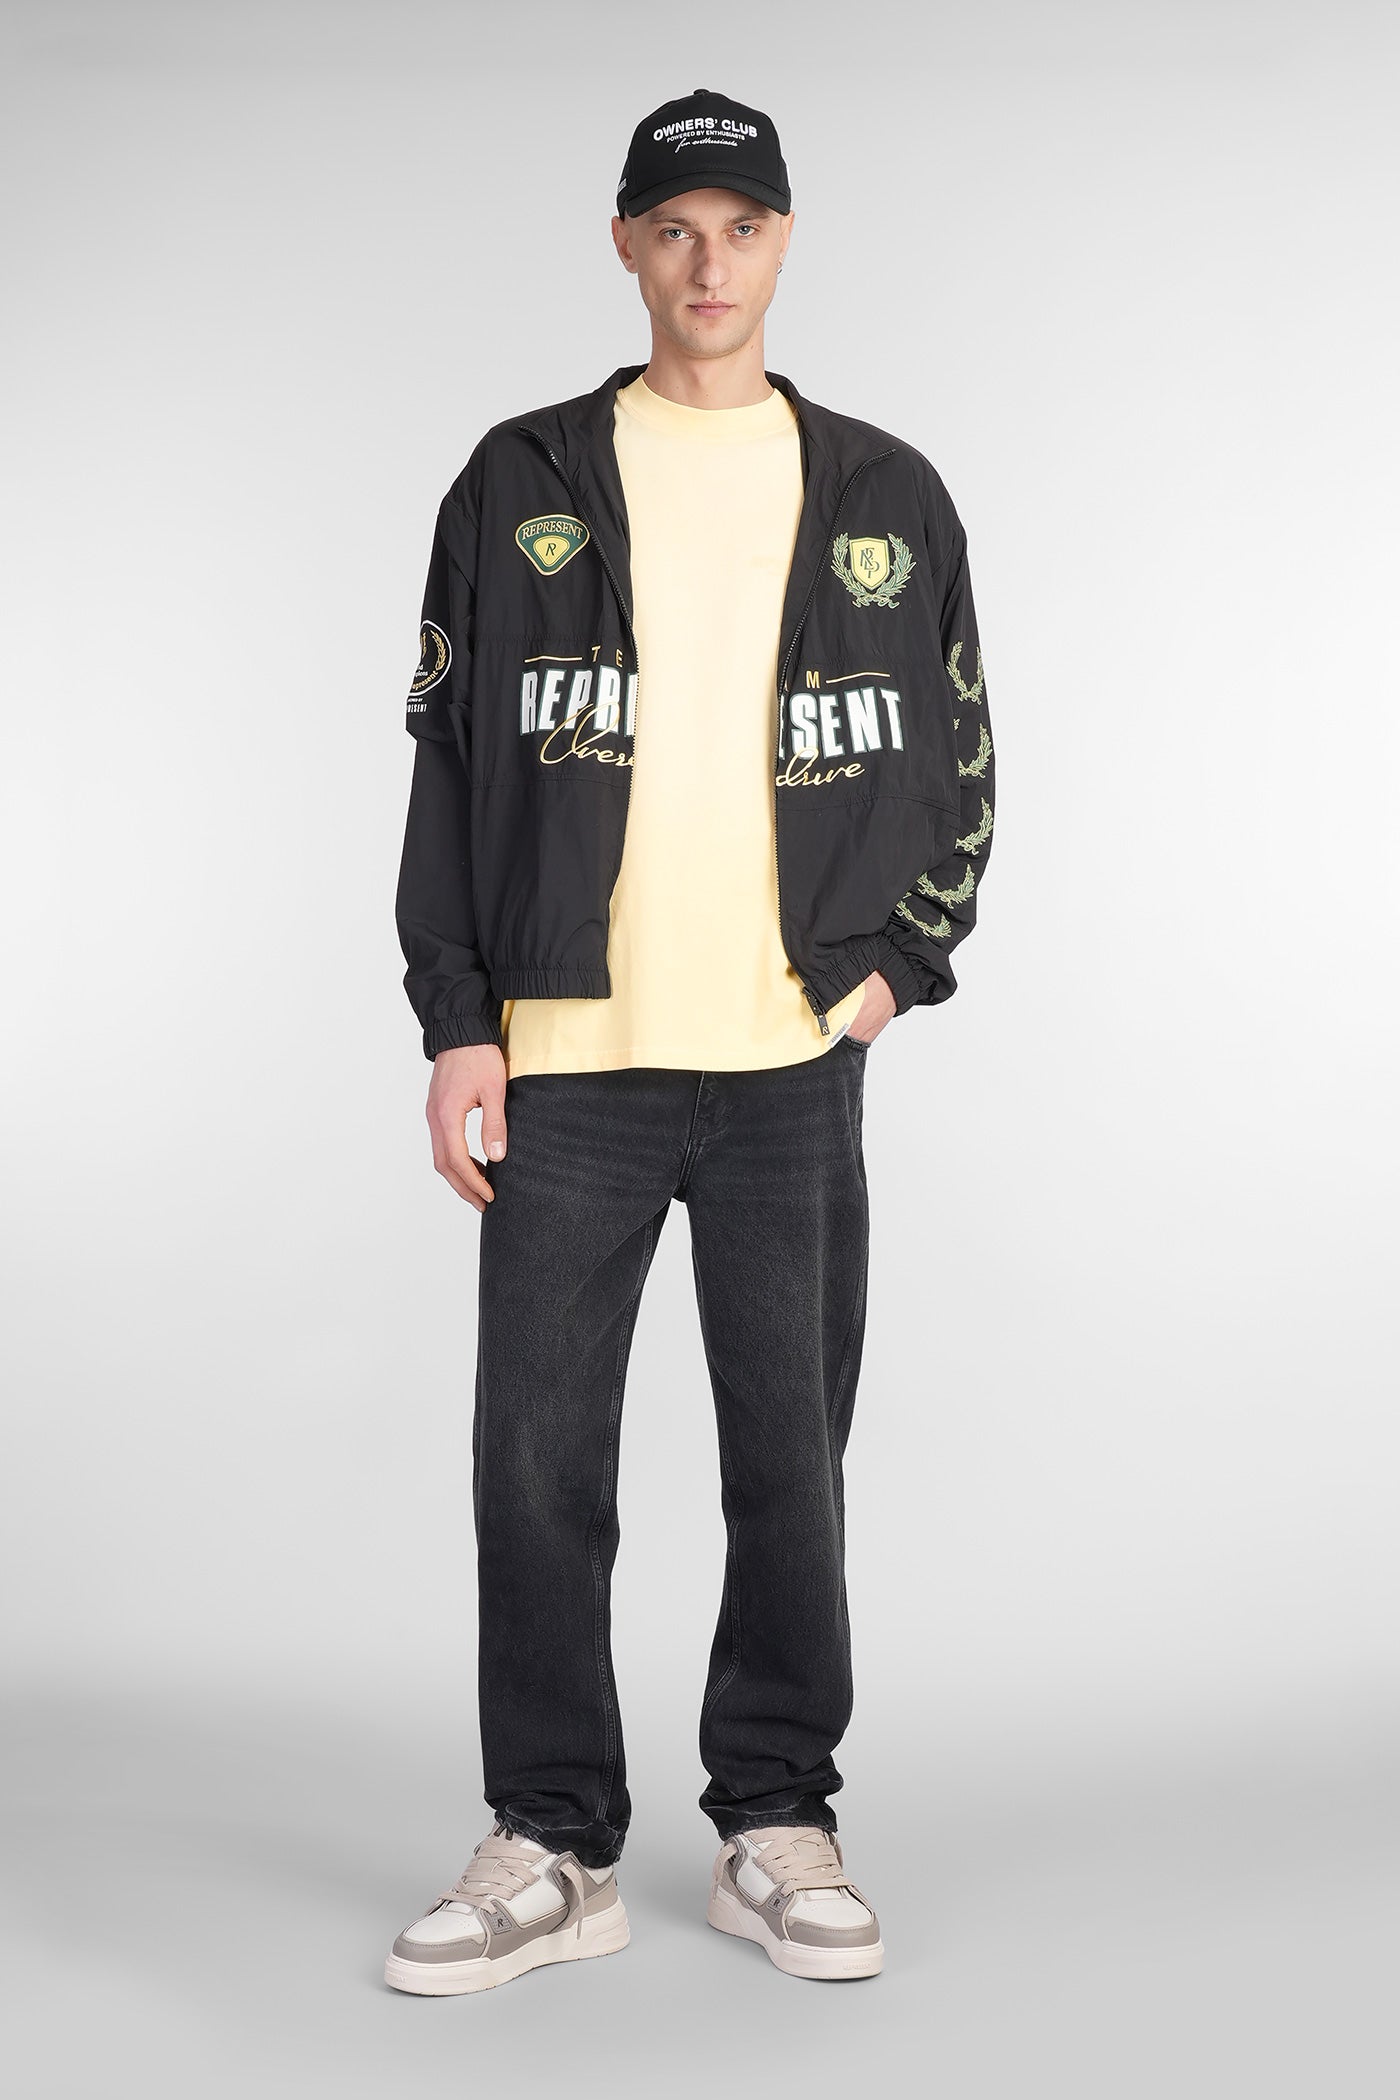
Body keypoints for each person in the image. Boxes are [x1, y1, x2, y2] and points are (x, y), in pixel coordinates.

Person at [385, 86, 996, 1995]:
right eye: (675, 227)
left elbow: (963, 757)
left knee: (788, 1461)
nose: (708, 262)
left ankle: (777, 1818)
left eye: (740, 226)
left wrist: (895, 965)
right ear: (628, 247)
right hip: (568, 1060)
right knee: (534, 1462)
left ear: (784, 242)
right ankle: (552, 1840)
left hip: (790, 1061)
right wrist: (460, 1023)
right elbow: (445, 768)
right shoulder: (521, 477)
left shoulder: (885, 492)